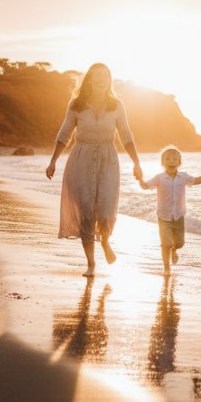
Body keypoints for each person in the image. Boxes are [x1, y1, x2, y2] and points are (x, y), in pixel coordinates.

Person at [46, 63, 143, 277]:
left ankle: (106, 240)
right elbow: (65, 134)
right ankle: (91, 263)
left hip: (108, 160)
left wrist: (137, 163)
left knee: (106, 212)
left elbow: (126, 136)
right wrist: (53, 161)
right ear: (89, 79)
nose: (101, 79)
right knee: (87, 215)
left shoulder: (116, 105)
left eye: (105, 76)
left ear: (109, 80)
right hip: (81, 159)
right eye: (96, 76)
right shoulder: (76, 105)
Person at [138, 145, 201, 275]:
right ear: (162, 163)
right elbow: (145, 186)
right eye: (167, 159)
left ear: (179, 162)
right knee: (165, 243)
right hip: (163, 217)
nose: (171, 161)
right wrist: (140, 179)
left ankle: (174, 250)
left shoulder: (183, 177)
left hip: (179, 216)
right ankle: (166, 267)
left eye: (174, 159)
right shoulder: (159, 178)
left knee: (180, 243)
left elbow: (195, 181)